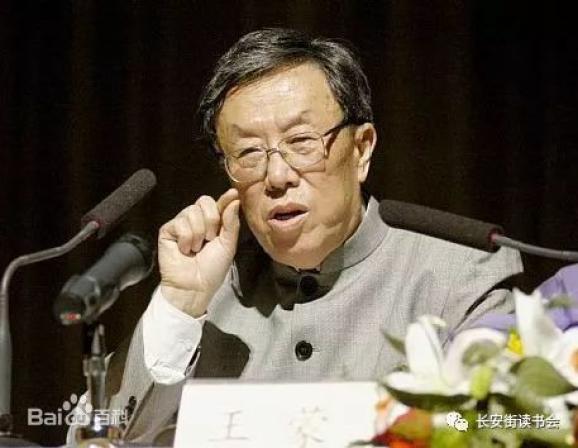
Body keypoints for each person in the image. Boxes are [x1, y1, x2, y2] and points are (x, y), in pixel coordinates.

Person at [74, 28, 523, 443]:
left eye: (302, 142)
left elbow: (504, 428)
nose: (276, 176)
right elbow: (91, 439)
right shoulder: (209, 291)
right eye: (249, 152)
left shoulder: (459, 277)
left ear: (362, 149)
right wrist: (179, 306)